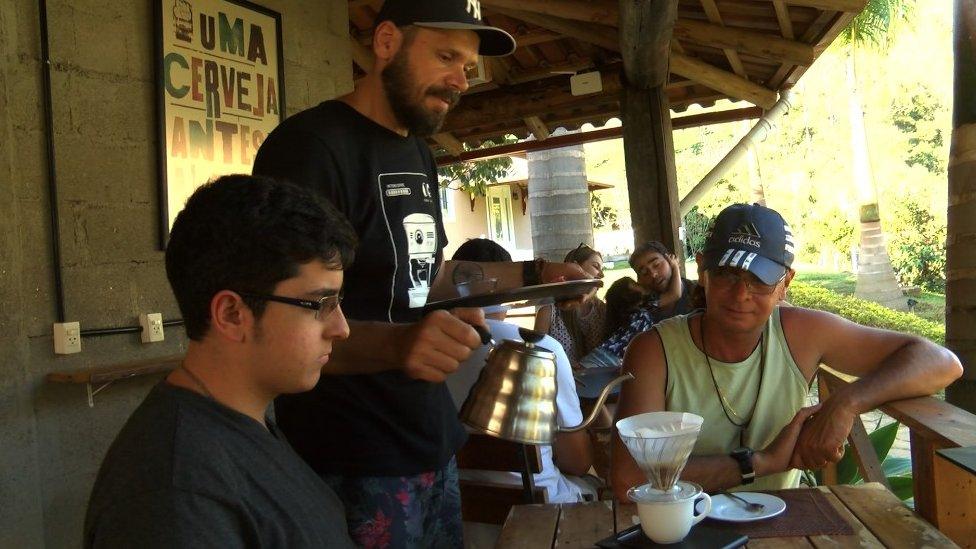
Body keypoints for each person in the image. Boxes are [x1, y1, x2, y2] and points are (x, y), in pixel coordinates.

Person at [252, 2, 586, 545]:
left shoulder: (417, 153)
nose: (460, 80)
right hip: (350, 455)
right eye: (446, 56)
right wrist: (399, 345)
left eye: (468, 67)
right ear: (387, 42)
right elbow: (282, 317)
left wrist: (536, 273)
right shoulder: (310, 149)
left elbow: (424, 272)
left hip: (431, 440)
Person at [611, 203, 962, 498]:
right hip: (682, 529)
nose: (740, 294)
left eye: (759, 280)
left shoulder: (801, 333)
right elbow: (629, 479)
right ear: (702, 270)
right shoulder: (654, 351)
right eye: (726, 275)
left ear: (785, 283)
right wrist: (762, 463)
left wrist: (846, 403)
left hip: (783, 525)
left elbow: (941, 363)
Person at [84, 175, 358, 547]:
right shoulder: (176, 495)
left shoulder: (245, 421)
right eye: (321, 304)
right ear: (231, 314)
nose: (340, 328)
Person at [445, 239, 599, 503]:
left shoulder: (426, 348)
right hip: (538, 509)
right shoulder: (542, 351)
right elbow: (577, 462)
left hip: (461, 509)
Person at [535, 244, 607, 368]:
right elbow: (536, 357)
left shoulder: (603, 310)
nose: (601, 274)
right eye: (596, 266)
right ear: (575, 266)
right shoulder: (549, 311)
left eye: (602, 269)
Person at [629, 240, 697, 322]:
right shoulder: (641, 306)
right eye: (644, 272)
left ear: (670, 260)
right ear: (639, 280)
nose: (653, 274)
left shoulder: (699, 292)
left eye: (656, 264)